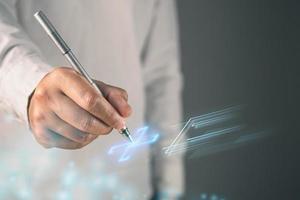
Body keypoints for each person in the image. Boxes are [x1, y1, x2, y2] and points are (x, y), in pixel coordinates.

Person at [0, 0, 184, 199]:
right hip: (34, 183)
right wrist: (32, 84)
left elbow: (159, 73)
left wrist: (169, 184)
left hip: (131, 186)